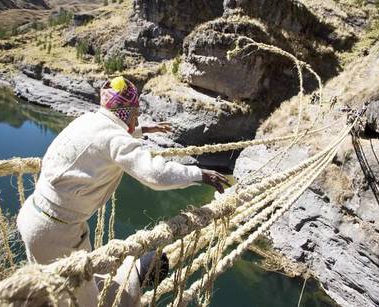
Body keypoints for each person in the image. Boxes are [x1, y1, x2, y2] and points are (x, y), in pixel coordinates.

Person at [16, 76, 229, 306]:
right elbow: (154, 175)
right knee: (84, 302)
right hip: (56, 234)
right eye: (135, 113)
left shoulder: (88, 120)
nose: (136, 118)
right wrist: (200, 174)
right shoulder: (113, 137)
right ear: (125, 112)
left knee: (47, 293)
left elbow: (103, 140)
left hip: (34, 217)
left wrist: (141, 130)